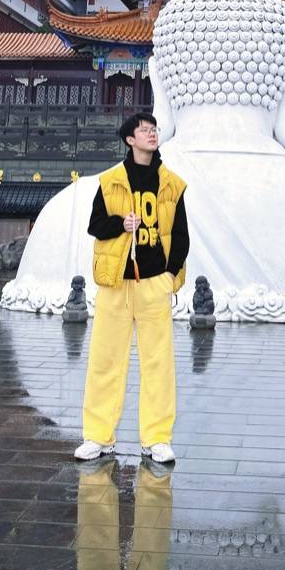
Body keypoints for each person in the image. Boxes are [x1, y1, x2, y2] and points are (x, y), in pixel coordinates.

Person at [74, 113, 189, 465]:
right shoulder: (110, 182)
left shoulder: (172, 184)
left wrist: (169, 275)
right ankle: (98, 436)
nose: (152, 134)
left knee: (158, 363)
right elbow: (95, 225)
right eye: (144, 130)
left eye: (154, 130)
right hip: (116, 284)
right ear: (129, 139)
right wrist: (120, 224)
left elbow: (181, 235)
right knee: (106, 360)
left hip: (154, 283)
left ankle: (157, 439)